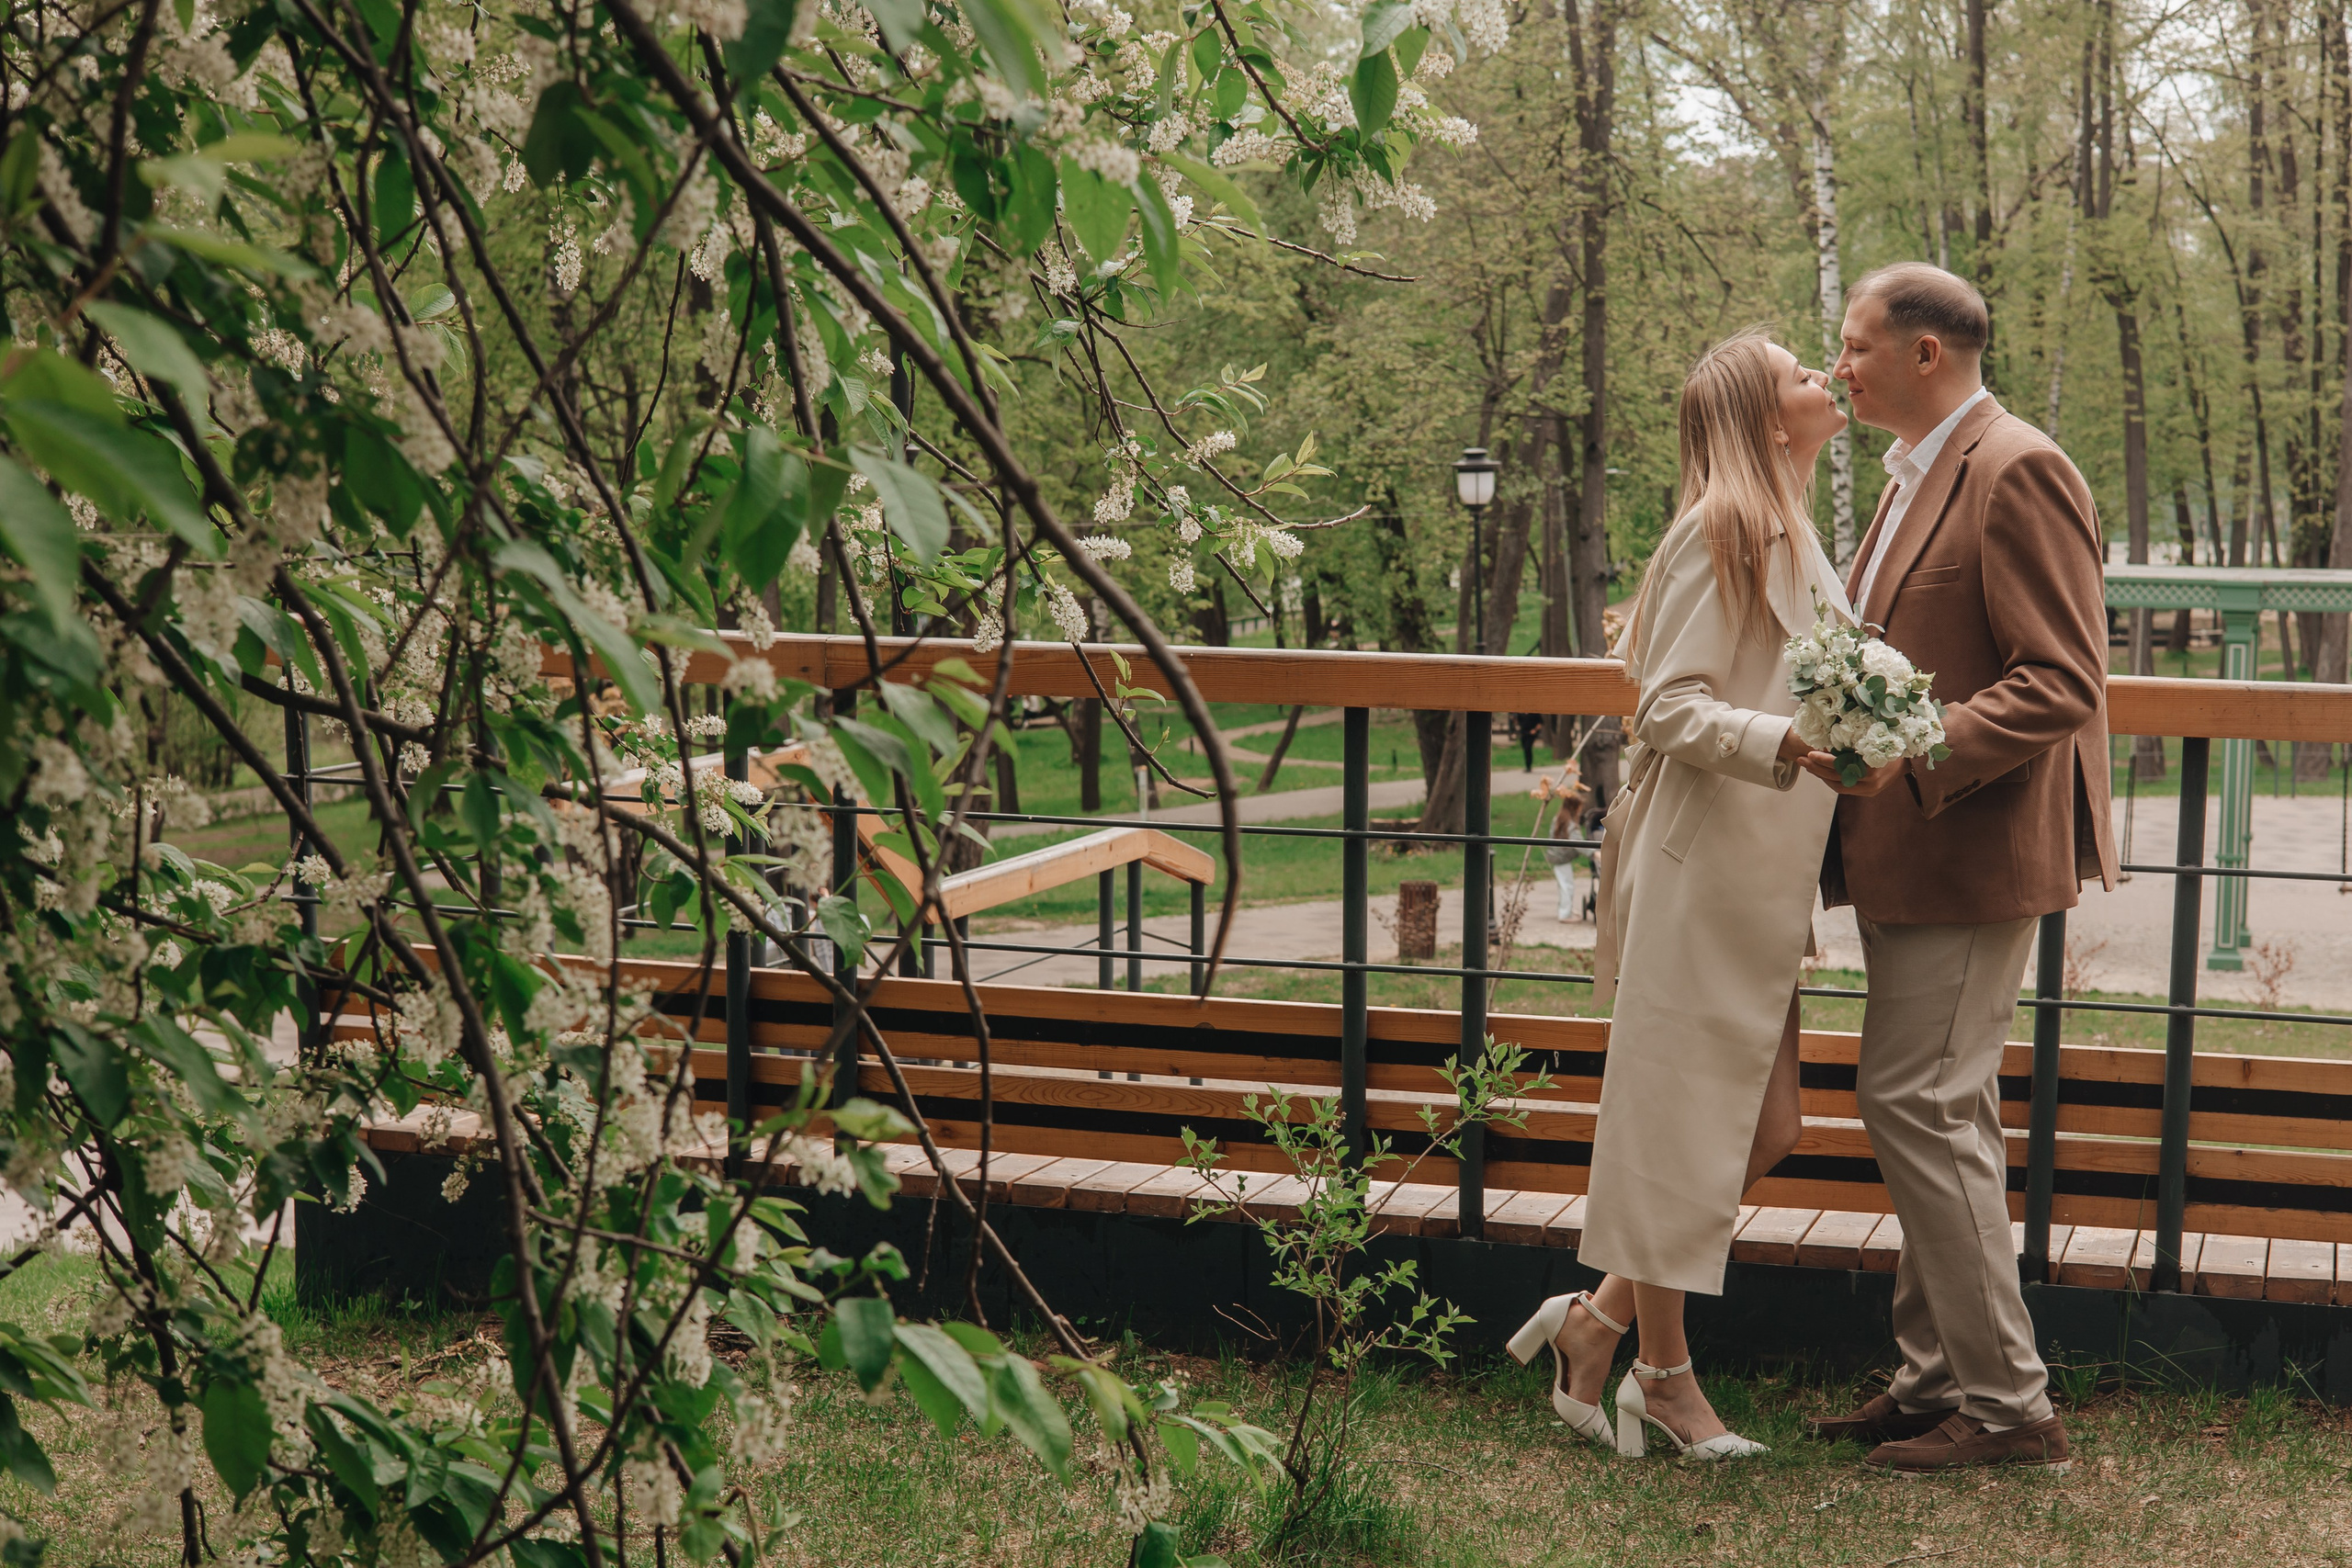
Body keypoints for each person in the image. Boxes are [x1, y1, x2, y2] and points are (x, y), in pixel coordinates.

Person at [1506, 330, 1850, 1460]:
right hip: (1700, 871)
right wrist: (1792, 740)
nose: (1826, 379)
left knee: (1771, 1126)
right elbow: (1665, 709)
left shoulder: (1794, 532)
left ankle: (1595, 1321)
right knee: (1682, 1131)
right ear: (1763, 420)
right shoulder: (1719, 531)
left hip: (1762, 873)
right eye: (1802, 373)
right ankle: (1662, 1374)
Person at [1804, 264, 2113, 1472]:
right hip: (1911, 850)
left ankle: (2007, 1405)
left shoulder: (2016, 465)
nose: (1841, 366)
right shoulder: (1915, 474)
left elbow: (2062, 679)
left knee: (1917, 1102)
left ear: (1925, 351)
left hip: (1973, 848)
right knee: (1947, 1108)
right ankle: (1937, 1373)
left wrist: (1909, 748)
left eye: (1854, 344)